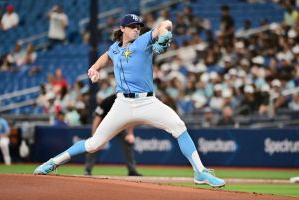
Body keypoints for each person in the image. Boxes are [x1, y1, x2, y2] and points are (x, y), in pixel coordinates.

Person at [34, 14, 225, 187]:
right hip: (123, 104)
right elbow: (107, 56)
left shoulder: (143, 41)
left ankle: (200, 172)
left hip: (148, 102)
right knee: (94, 144)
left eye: (138, 26)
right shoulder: (115, 49)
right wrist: (94, 67)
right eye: (132, 26)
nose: (136, 29)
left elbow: (165, 24)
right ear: (122, 28)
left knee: (179, 127)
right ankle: (53, 162)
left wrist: (165, 34)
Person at [85, 94, 141, 176]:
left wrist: (130, 134)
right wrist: (94, 133)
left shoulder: (127, 102)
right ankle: (88, 170)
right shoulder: (107, 101)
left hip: (119, 127)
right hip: (105, 127)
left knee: (128, 143)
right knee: (94, 144)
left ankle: (132, 170)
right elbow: (97, 118)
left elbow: (130, 119)